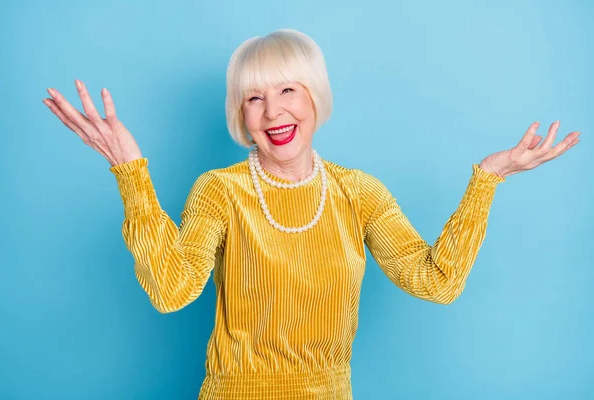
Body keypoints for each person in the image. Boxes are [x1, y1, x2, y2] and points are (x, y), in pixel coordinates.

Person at [43, 29, 580, 400]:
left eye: (287, 90)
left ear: (314, 99)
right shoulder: (220, 191)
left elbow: (436, 281)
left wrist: (486, 179)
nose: (273, 110)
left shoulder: (359, 192)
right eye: (253, 98)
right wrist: (131, 171)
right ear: (241, 114)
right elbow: (171, 290)